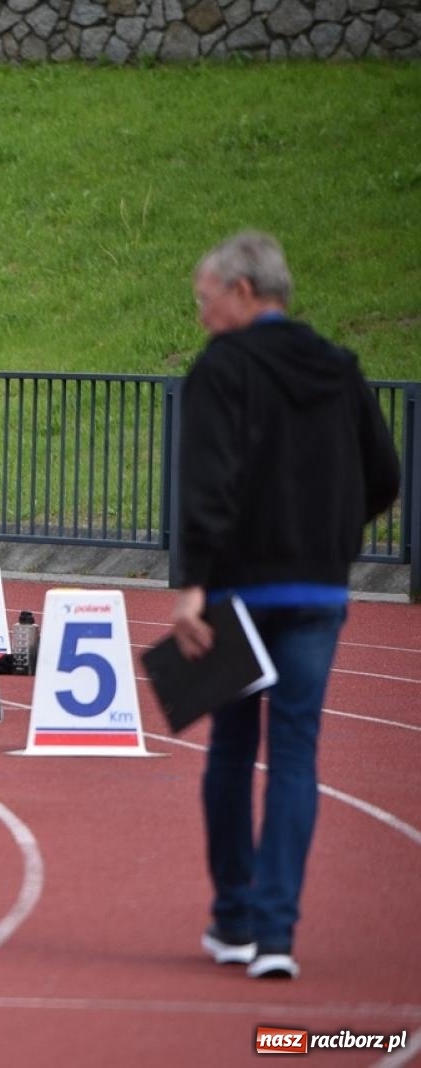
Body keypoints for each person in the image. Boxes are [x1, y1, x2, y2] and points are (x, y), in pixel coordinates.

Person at [170, 231, 399, 981]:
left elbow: (208, 482)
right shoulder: (340, 368)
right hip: (316, 591)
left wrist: (195, 584)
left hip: (240, 589)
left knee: (233, 748)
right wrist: (329, 541)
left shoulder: (222, 369)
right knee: (295, 754)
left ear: (242, 292)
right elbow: (384, 476)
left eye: (205, 301)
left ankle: (233, 918)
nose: (200, 317)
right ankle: (277, 935)